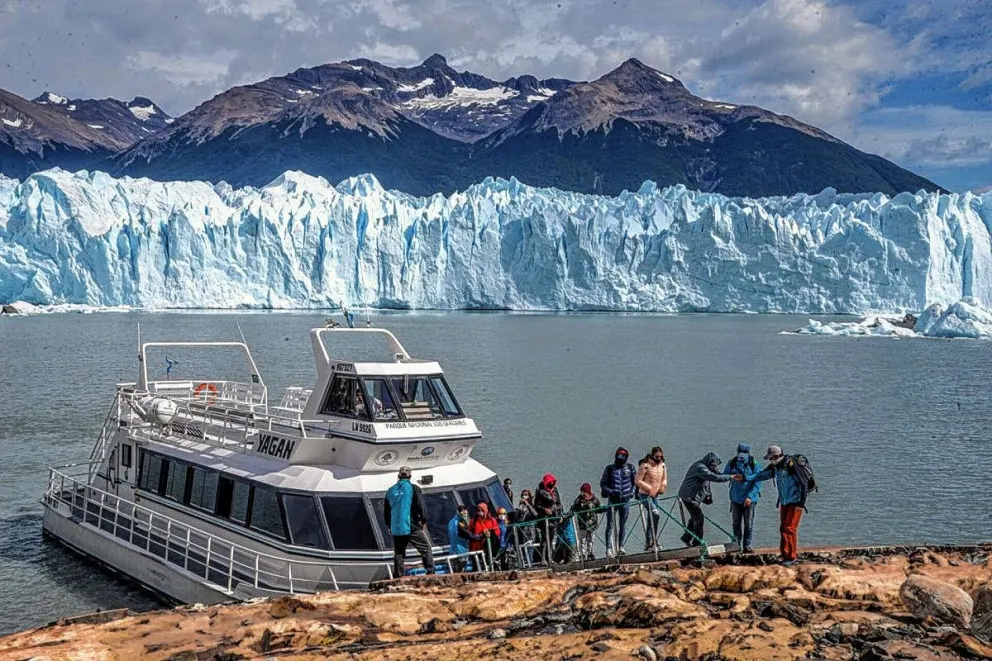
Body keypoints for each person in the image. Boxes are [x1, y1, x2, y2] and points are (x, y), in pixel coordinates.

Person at [748, 445, 808, 565]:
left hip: (796, 502)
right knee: (783, 528)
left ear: (776, 456)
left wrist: (801, 503)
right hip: (784, 501)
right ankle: (784, 554)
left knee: (790, 529)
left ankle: (792, 557)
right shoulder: (775, 467)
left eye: (771, 458)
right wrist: (745, 478)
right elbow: (762, 475)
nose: (770, 460)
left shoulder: (791, 465)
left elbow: (804, 484)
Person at [677, 452, 742, 547]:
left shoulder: (708, 467)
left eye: (715, 466)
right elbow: (714, 477)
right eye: (713, 465)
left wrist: (731, 471)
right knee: (699, 518)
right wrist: (731, 477)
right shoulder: (700, 468)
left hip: (695, 497)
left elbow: (718, 475)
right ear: (708, 462)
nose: (714, 467)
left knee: (694, 517)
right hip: (689, 497)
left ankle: (686, 537)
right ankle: (697, 543)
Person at [384, 466, 434, 577]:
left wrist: (389, 525)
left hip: (396, 527)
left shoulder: (390, 490)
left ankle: (398, 575)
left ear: (398, 476)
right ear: (410, 476)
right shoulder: (414, 488)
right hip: (411, 526)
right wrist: (424, 520)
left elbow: (386, 511)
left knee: (399, 552)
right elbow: (421, 505)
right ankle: (430, 572)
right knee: (425, 548)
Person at [723, 443, 762, 554]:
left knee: (748, 524)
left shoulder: (754, 464)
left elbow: (758, 482)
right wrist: (731, 476)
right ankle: (736, 545)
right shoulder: (732, 462)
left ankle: (747, 545)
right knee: (736, 523)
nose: (741, 459)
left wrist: (750, 497)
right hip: (735, 498)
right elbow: (725, 475)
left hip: (749, 500)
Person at [600, 447, 637, 556]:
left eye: (623, 455)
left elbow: (635, 482)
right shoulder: (610, 468)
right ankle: (608, 548)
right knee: (610, 524)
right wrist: (611, 491)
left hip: (625, 500)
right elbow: (603, 484)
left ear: (626, 457)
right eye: (618, 455)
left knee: (622, 524)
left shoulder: (630, 468)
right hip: (613, 500)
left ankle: (621, 547)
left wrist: (632, 492)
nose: (620, 457)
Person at [635, 446, 668, 551]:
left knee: (652, 518)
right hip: (645, 495)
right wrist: (650, 489)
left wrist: (663, 487)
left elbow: (664, 478)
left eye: (661, 456)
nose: (659, 458)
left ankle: (652, 542)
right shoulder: (645, 465)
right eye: (657, 457)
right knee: (655, 515)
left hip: (656, 496)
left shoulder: (663, 465)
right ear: (652, 455)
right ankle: (651, 541)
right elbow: (637, 480)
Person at [533, 474, 563, 563]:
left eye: (552, 482)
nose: (551, 484)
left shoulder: (555, 490)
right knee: (544, 538)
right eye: (549, 482)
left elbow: (559, 503)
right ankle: (543, 558)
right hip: (544, 518)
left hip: (554, 517)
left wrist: (560, 514)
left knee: (551, 538)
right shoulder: (540, 491)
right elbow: (536, 505)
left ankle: (550, 558)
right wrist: (544, 510)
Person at [571, 483, 601, 561]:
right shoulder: (578, 500)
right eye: (582, 492)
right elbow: (573, 509)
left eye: (584, 492)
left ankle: (590, 553)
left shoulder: (594, 499)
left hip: (592, 523)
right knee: (582, 540)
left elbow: (599, 508)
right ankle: (582, 555)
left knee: (591, 539)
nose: (583, 493)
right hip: (582, 523)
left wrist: (606, 509)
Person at [468, 502, 501, 569]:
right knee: (477, 567)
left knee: (490, 564)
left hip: (488, 547)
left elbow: (497, 532)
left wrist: (489, 532)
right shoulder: (474, 521)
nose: (480, 512)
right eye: (478, 510)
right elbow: (469, 533)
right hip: (476, 547)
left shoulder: (492, 520)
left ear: (485, 510)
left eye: (482, 510)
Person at [447, 504, 475, 572]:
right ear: (458, 512)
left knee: (454, 571)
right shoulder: (460, 523)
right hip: (461, 551)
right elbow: (469, 535)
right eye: (463, 513)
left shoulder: (451, 521)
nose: (465, 515)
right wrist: (481, 536)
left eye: (466, 513)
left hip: (453, 550)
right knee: (461, 571)